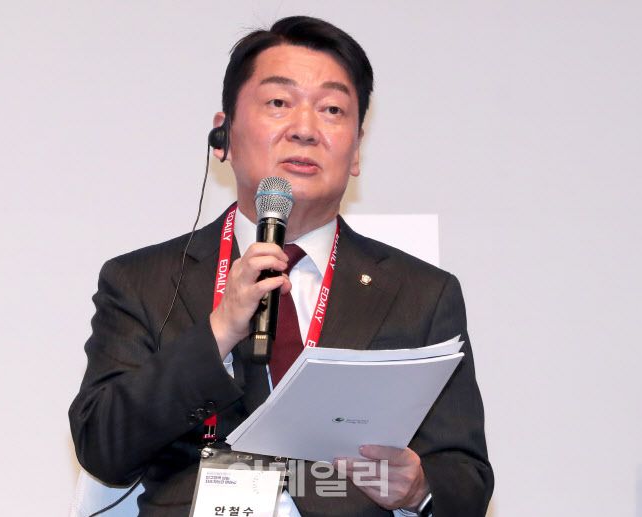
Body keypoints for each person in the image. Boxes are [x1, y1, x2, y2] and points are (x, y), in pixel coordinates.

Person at [69, 16, 493, 517]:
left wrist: (417, 488)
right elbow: (103, 448)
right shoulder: (145, 281)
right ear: (223, 135)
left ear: (356, 150)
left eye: (332, 109)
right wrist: (218, 332)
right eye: (278, 103)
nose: (305, 129)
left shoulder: (420, 293)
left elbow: (466, 478)